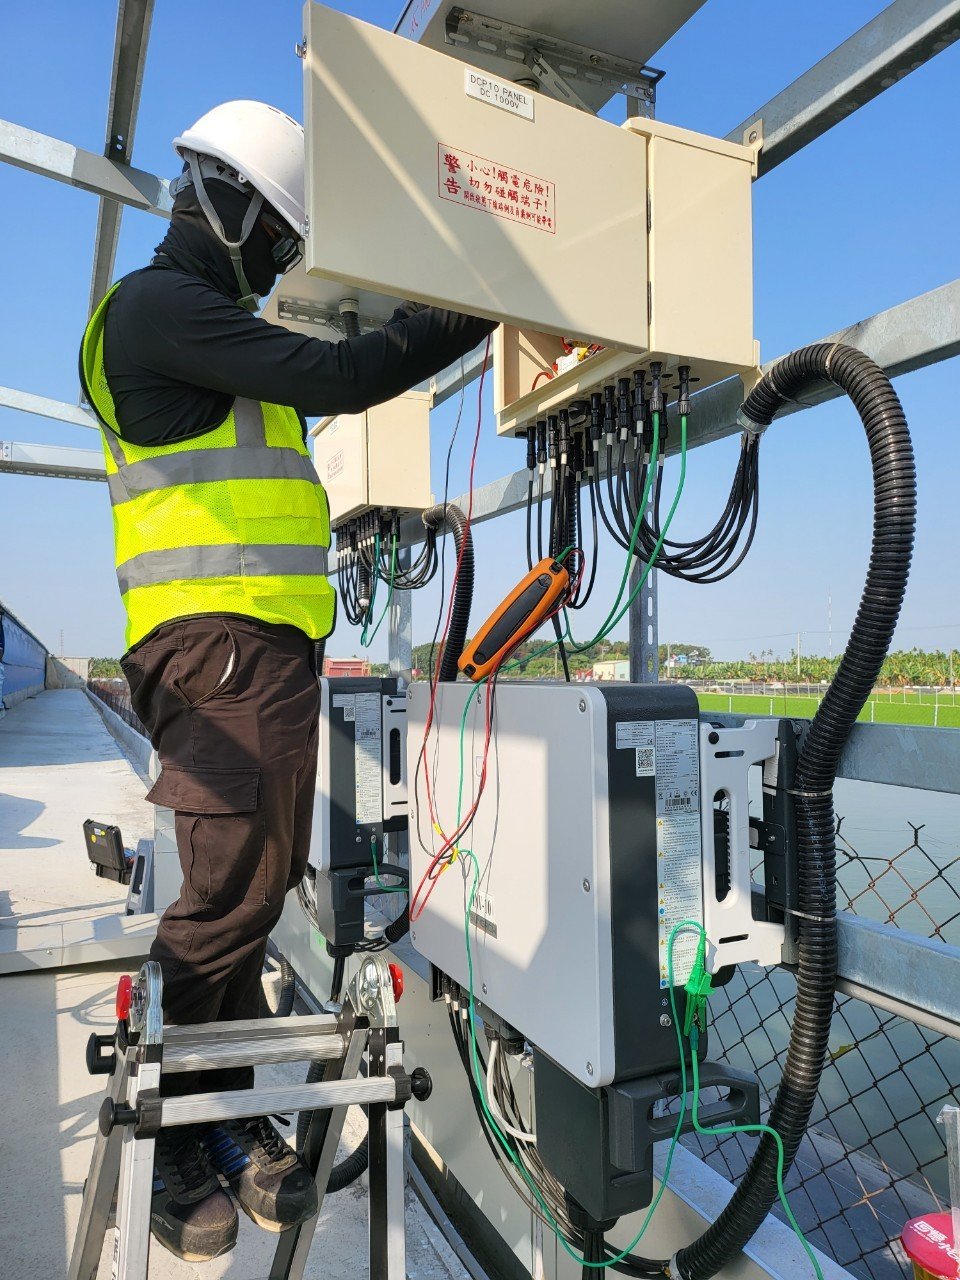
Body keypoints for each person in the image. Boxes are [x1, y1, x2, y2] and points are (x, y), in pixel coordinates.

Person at [79, 99, 495, 1262]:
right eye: (276, 240)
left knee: (250, 894)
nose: (276, 266)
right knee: (226, 903)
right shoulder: (159, 307)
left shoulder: (198, 321)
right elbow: (353, 371)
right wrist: (482, 303)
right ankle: (174, 1140)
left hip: (247, 652)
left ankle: (220, 1125)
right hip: (218, 647)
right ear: (227, 202)